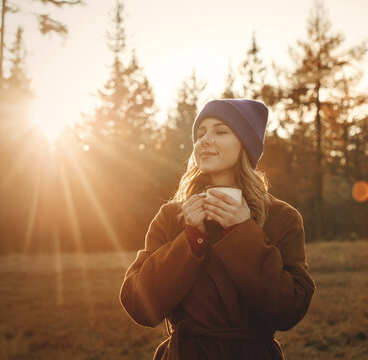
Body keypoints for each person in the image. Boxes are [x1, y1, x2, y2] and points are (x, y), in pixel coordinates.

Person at [120, 99, 316, 359]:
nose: (205, 140)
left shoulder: (282, 217)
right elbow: (140, 306)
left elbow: (289, 309)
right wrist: (190, 239)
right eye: (200, 134)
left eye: (221, 131)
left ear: (245, 144)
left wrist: (241, 232)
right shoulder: (172, 216)